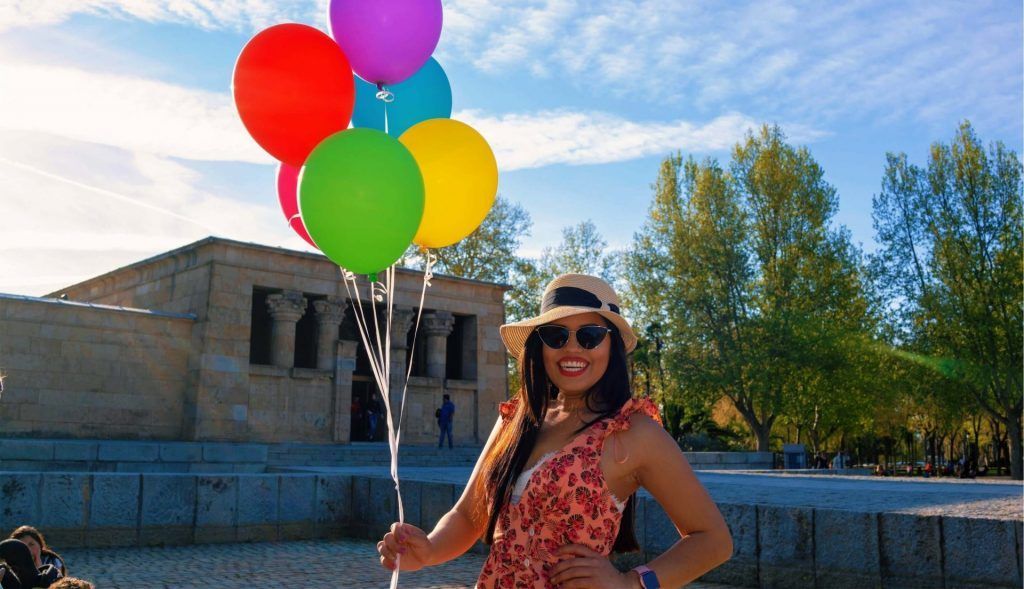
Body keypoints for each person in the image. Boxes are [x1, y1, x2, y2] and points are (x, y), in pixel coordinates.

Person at [376, 274, 733, 587]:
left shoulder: (633, 433)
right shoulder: (515, 419)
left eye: (591, 335)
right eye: (556, 334)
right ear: (539, 345)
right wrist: (429, 550)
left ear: (612, 346)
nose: (572, 347)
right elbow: (469, 515)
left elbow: (713, 540)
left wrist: (631, 584)